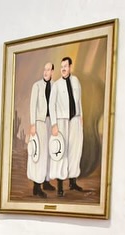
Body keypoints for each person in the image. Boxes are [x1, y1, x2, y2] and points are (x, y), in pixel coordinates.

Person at [49, 56, 83, 197]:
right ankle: (60, 186)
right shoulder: (56, 85)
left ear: (70, 67)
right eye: (61, 66)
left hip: (75, 119)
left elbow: (79, 100)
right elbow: (52, 105)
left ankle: (73, 182)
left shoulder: (76, 81)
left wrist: (81, 116)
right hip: (61, 121)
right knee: (61, 152)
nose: (63, 69)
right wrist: (54, 124)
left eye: (65, 66)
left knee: (75, 149)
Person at [27, 62, 55, 198]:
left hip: (51, 122)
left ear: (52, 72)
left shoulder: (55, 85)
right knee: (39, 152)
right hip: (39, 122)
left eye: (48, 70)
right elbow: (33, 105)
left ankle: (46, 181)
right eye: (44, 69)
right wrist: (33, 124)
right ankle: (36, 185)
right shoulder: (37, 86)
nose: (45, 72)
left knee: (49, 152)